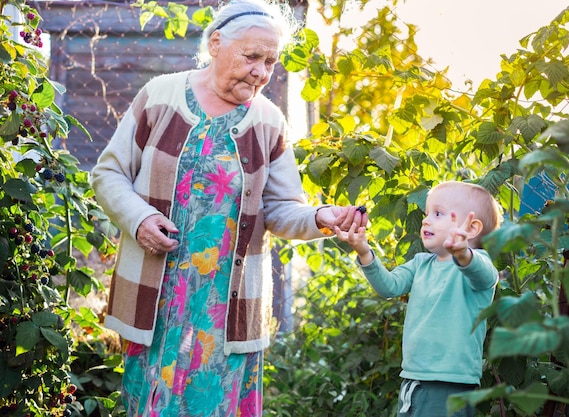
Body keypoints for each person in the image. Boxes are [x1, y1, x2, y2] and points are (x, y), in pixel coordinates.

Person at [90, 0, 366, 415]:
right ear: (216, 43)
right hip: (158, 298)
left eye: (270, 61)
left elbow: (282, 208)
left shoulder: (268, 121)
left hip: (227, 309)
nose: (261, 71)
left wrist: (319, 217)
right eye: (252, 56)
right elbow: (108, 174)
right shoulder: (160, 96)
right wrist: (140, 218)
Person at [334, 181, 502, 417]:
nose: (426, 220)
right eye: (427, 214)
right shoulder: (421, 264)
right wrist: (363, 251)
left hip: (449, 384)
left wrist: (463, 253)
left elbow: (485, 276)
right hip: (413, 378)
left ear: (471, 228)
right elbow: (389, 286)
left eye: (438, 213)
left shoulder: (476, 265)